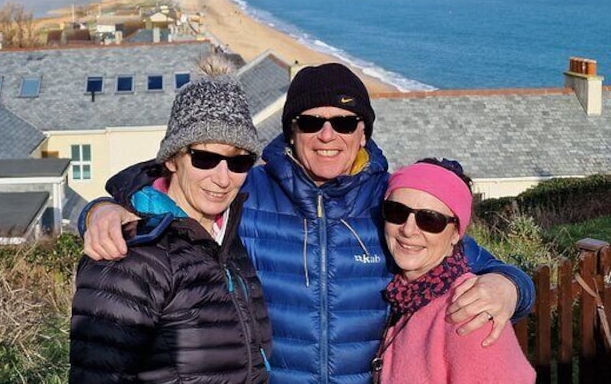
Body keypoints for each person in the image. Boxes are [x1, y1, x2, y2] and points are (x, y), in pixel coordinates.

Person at [81, 62, 535, 383]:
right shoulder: (245, 192)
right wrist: (101, 209)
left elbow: (475, 262)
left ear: (363, 132)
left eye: (344, 122)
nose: (327, 135)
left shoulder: (395, 207)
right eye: (311, 121)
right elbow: (175, 189)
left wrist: (510, 287)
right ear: (290, 131)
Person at [69, 70, 272, 383]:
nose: (222, 178)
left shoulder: (228, 239)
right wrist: (98, 210)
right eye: (204, 158)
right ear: (172, 159)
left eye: (238, 161)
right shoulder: (130, 254)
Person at [373, 159, 535, 383]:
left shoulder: (469, 310)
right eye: (396, 212)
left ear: (456, 234)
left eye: (430, 219)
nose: (408, 230)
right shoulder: (406, 297)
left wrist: (511, 285)